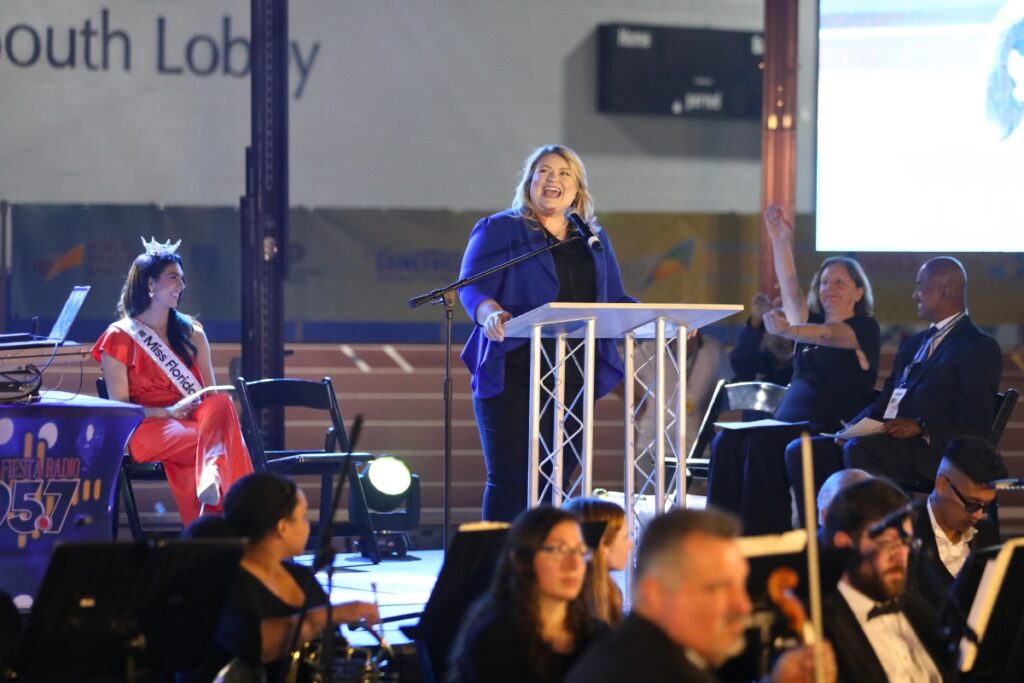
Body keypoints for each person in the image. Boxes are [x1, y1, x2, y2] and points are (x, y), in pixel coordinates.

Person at [459, 144, 635, 521]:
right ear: (530, 182)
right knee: (511, 479)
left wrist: (660, 321)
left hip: (571, 375)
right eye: (543, 171)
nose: (552, 179)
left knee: (555, 478)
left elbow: (616, 298)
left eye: (563, 173)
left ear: (577, 191)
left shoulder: (593, 241)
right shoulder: (501, 228)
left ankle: (542, 561)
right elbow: (472, 287)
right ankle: (499, 568)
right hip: (513, 370)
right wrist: (490, 313)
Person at [707, 205, 880, 535]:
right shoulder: (807, 323)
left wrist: (789, 331)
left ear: (859, 291)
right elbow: (788, 284)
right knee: (726, 442)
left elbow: (831, 335)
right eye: (825, 281)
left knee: (761, 443)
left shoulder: (863, 328)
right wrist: (780, 241)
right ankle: (721, 537)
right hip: (785, 422)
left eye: (840, 281)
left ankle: (765, 542)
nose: (830, 287)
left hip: (825, 428)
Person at [787, 257, 1003, 507]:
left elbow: (976, 423)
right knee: (802, 451)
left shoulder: (978, 347)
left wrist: (922, 427)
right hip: (891, 443)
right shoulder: (914, 343)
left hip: (936, 451)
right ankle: (824, 539)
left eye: (920, 286)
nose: (914, 294)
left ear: (945, 290)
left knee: (860, 449)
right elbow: (887, 399)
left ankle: (879, 534)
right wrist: (851, 429)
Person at [565, 508, 835, 683]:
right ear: (656, 593)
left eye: (741, 585)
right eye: (718, 587)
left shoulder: (653, 654)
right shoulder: (641, 671)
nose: (742, 605)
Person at [92, 238, 253, 524]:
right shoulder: (119, 337)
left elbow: (209, 396)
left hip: (194, 420)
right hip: (147, 427)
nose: (181, 285)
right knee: (225, 443)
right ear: (150, 284)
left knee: (221, 402)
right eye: (173, 278)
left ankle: (208, 515)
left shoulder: (192, 333)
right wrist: (166, 412)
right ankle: (239, 521)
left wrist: (189, 409)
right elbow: (121, 410)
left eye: (182, 279)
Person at [189, 472, 380, 681]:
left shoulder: (300, 576)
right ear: (282, 527)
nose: (308, 525)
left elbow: (334, 649)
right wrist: (331, 614)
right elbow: (254, 646)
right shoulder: (225, 577)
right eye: (303, 517)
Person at [448, 506, 607, 683]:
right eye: (558, 550)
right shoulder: (494, 640)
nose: (574, 565)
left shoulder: (596, 634)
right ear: (520, 561)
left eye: (580, 551)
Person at [822, 478, 956, 682]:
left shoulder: (917, 609)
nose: (901, 555)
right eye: (886, 542)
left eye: (905, 541)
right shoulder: (823, 625)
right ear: (845, 543)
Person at [908, 436, 1005, 607]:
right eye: (971, 504)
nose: (978, 515)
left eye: (986, 505)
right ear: (942, 485)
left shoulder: (986, 533)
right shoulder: (906, 532)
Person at [563, 497, 631, 626]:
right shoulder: (576, 603)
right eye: (625, 537)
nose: (630, 545)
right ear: (603, 545)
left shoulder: (611, 593)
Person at [729, 292, 794, 386]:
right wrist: (756, 319)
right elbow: (741, 366)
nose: (782, 329)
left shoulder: (806, 357)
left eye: (787, 321)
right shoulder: (761, 358)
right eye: (775, 322)